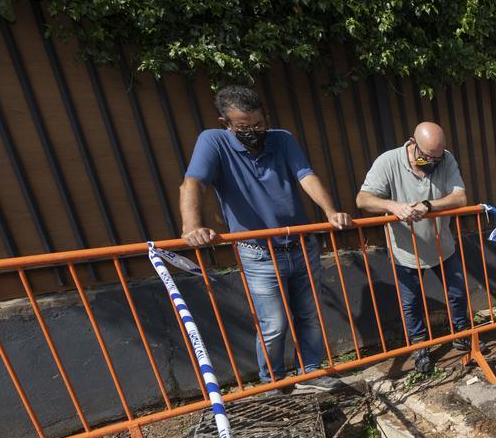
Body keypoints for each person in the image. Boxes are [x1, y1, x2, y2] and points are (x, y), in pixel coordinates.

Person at [181, 84, 351, 391]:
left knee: (309, 315)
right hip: (258, 252)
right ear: (227, 123)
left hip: (300, 244)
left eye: (258, 124)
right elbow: (193, 182)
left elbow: (306, 175)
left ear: (266, 118)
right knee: (273, 324)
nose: (253, 131)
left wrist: (330, 211)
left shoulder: (281, 140)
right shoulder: (213, 142)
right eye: (244, 127)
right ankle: (272, 382)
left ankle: (310, 373)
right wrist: (192, 225)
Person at [356, 122, 471, 375]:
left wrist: (429, 205)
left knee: (458, 292)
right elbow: (363, 199)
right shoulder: (388, 161)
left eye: (437, 157)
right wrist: (394, 206)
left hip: (442, 245)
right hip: (406, 251)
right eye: (427, 156)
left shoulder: (446, 159)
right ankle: (420, 347)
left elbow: (460, 197)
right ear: (412, 143)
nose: (432, 161)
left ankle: (462, 334)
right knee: (411, 304)